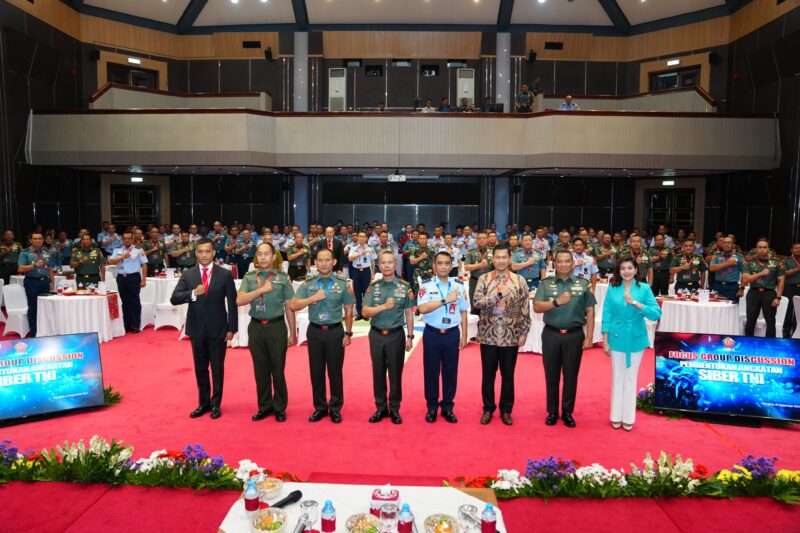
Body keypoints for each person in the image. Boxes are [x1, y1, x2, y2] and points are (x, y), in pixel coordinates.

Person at [170, 238, 238, 420]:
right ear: (196, 254)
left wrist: (232, 328)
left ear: (214, 253)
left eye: (207, 251)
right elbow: (174, 298)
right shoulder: (188, 274)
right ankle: (203, 403)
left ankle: (216, 404)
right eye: (200, 252)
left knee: (217, 368)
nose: (204, 255)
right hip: (197, 329)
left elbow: (232, 302)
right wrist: (192, 294)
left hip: (219, 329)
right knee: (200, 368)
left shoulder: (224, 274)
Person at [290, 248, 355, 423]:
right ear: (315, 263)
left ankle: (335, 408)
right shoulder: (308, 284)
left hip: (335, 331)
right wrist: (313, 298)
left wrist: (348, 332)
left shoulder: (343, 283)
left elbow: (349, 310)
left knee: (335, 372)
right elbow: (293, 305)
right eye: (320, 260)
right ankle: (319, 407)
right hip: (315, 332)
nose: (324, 263)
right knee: (316, 372)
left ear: (333, 262)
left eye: (327, 260)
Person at [534, 250, 596, 428]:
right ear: (554, 263)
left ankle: (567, 412)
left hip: (574, 336)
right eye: (559, 261)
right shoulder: (546, 284)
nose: (563, 264)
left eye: (566, 261)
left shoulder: (583, 284)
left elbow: (590, 312)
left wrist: (590, 336)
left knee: (571, 376)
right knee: (551, 376)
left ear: (573, 263)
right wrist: (556, 302)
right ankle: (552, 412)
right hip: (551, 335)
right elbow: (537, 307)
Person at [237, 243, 296, 423]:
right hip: (256, 327)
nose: (263, 257)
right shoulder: (249, 277)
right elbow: (239, 301)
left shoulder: (282, 278)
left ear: (273, 257)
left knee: (278, 369)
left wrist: (292, 333)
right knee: (260, 370)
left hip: (276, 327)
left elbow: (289, 306)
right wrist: (261, 290)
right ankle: (264, 406)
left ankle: (279, 407)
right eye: (260, 254)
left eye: (266, 254)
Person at [601, 256, 662, 431]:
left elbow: (655, 314)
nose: (626, 272)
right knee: (617, 376)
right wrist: (605, 339)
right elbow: (607, 314)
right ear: (618, 271)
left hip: (636, 336)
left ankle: (628, 417)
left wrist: (635, 303)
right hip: (616, 336)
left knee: (631, 376)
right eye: (623, 268)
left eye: (630, 268)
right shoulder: (612, 288)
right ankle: (615, 416)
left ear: (636, 270)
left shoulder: (644, 288)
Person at [473, 245, 531, 425]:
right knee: (488, 376)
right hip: (488, 335)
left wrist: (523, 332)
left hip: (511, 336)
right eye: (497, 257)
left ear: (510, 258)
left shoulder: (519, 280)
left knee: (508, 376)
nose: (500, 261)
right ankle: (488, 408)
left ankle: (506, 410)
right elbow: (476, 303)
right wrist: (497, 295)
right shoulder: (484, 279)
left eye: (504, 257)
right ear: (493, 259)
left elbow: (524, 309)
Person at [362, 251, 415, 424]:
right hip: (376, 335)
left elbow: (409, 313)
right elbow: (364, 312)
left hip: (396, 336)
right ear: (379, 266)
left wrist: (410, 336)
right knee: (378, 373)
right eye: (383, 262)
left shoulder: (404, 286)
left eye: (390, 262)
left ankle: (394, 409)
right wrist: (383, 307)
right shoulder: (373, 287)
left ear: (395, 264)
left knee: (395, 374)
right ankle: (380, 408)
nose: (386, 265)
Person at [417, 252, 469, 423]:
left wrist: (465, 335)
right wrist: (445, 300)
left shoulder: (459, 285)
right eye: (440, 263)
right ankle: (432, 407)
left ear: (451, 265)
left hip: (452, 334)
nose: (444, 266)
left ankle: (447, 407)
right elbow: (422, 309)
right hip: (432, 333)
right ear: (434, 265)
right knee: (431, 372)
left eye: (447, 263)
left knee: (450, 372)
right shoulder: (426, 286)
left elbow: (463, 311)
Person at [743, 238, 785, 338]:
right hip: (753, 293)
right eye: (760, 247)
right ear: (756, 249)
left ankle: (770, 346)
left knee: (770, 322)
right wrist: (761, 274)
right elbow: (745, 279)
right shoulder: (749, 261)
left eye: (764, 247)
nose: (762, 249)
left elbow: (781, 281)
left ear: (768, 249)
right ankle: (748, 344)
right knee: (750, 321)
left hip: (769, 294)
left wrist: (778, 297)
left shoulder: (777, 262)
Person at [17, 232, 56, 336]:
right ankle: (34, 332)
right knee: (33, 307)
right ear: (30, 240)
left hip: (45, 282)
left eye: (40, 238)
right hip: (32, 282)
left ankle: (46, 330)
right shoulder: (25, 253)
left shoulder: (46, 252)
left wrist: (52, 282)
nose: (38, 240)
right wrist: (34, 265)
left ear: (43, 240)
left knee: (45, 307)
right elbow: (20, 269)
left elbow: (50, 268)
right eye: (35, 239)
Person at [109, 232, 148, 334]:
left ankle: (135, 325)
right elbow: (111, 262)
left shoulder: (138, 250)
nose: (127, 240)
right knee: (124, 302)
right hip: (121, 278)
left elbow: (144, 265)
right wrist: (122, 257)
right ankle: (126, 325)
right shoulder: (117, 250)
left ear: (132, 239)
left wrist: (144, 279)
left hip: (133, 277)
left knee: (134, 301)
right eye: (125, 238)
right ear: (122, 239)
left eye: (129, 238)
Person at [348, 230, 376, 320]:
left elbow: (373, 261)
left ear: (366, 238)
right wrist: (360, 254)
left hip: (366, 271)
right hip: (356, 271)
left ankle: (366, 313)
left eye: (363, 236)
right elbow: (350, 258)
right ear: (357, 238)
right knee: (357, 292)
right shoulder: (353, 248)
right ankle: (359, 313)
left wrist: (373, 273)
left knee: (366, 292)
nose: (361, 238)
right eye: (360, 236)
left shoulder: (370, 248)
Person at [708, 236, 744, 302]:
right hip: (717, 286)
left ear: (733, 245)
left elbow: (744, 273)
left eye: (729, 243)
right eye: (724, 243)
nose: (727, 244)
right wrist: (726, 264)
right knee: (716, 308)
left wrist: (742, 289)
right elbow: (711, 268)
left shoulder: (739, 257)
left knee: (731, 309)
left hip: (732, 287)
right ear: (722, 245)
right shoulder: (716, 255)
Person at [464, 232, 493, 314]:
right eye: (479, 238)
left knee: (489, 305)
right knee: (475, 306)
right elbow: (466, 267)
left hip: (489, 281)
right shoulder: (471, 252)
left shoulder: (493, 252)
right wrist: (480, 265)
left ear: (488, 240)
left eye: (484, 238)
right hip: (475, 281)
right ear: (476, 241)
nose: (482, 240)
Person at [783, 243, 800, 338]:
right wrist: (797, 269)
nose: (798, 249)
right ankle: (786, 332)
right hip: (790, 287)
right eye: (796, 248)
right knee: (789, 310)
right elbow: (784, 273)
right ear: (791, 250)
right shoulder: (786, 261)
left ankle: (797, 332)